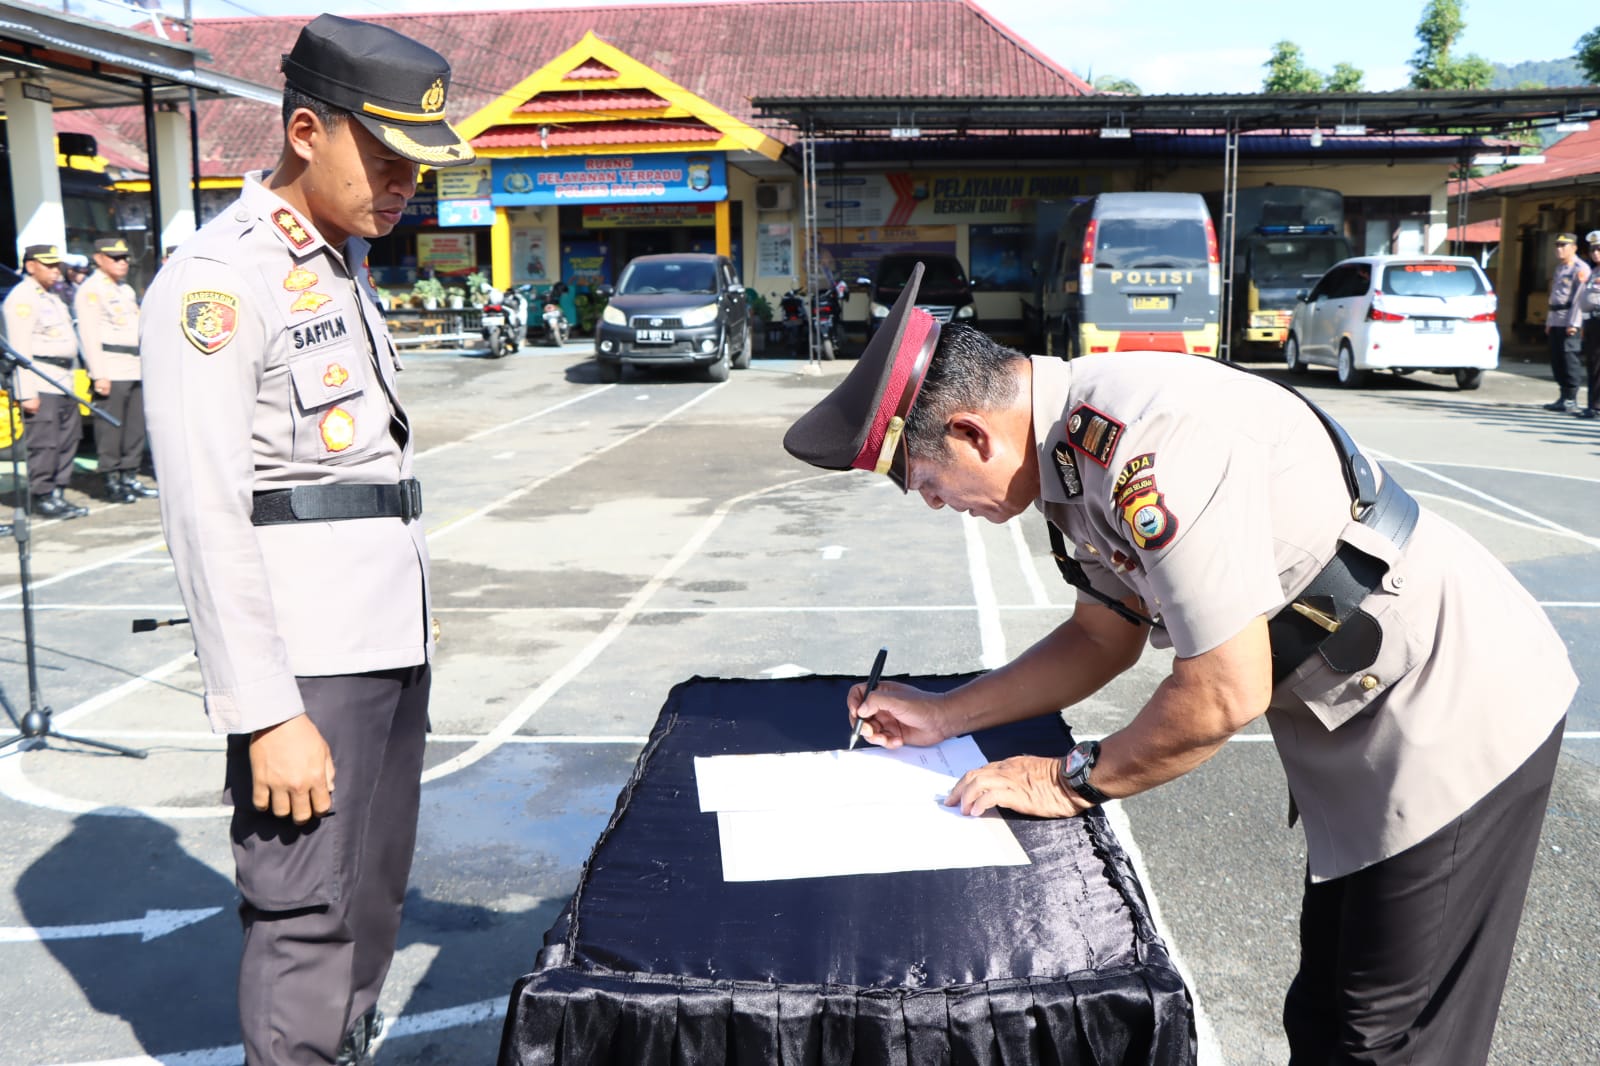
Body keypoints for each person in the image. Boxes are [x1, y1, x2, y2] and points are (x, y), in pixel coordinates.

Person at [781, 264, 1576, 1065]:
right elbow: (1103, 635)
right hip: (1352, 714)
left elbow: (1224, 693)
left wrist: (1066, 780)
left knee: (1387, 1042)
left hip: (1445, 707)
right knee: (1329, 1017)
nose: (933, 504)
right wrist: (945, 714)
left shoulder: (1145, 443)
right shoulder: (1066, 454)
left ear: (970, 434)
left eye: (925, 482)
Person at [138, 14, 475, 1065]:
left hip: (383, 641)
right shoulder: (217, 280)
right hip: (305, 665)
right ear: (301, 132)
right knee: (305, 915)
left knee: (372, 895)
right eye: (383, 159)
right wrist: (265, 707)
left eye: (415, 168)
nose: (403, 186)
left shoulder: (338, 263)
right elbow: (205, 510)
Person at [0, 244, 89, 519]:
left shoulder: (51, 296)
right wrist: (26, 392)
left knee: (68, 438)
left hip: (63, 380)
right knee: (45, 442)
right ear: (30, 266)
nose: (55, 270)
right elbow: (20, 349)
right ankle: (44, 495)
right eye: (48, 265)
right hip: (41, 381)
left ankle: (58, 492)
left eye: (56, 265)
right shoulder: (23, 298)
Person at [76, 237, 157, 503]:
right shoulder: (91, 290)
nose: (122, 262)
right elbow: (88, 335)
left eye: (124, 258)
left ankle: (129, 476)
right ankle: (110, 479)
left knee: (134, 427)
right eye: (115, 258)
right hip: (111, 366)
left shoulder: (125, 289)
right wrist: (98, 373)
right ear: (98, 258)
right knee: (111, 429)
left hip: (134, 365)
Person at [1542, 231, 1589, 412]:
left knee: (1570, 360)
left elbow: (1578, 299)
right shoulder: (1560, 268)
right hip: (1556, 319)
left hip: (1569, 321)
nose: (1559, 249)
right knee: (1557, 360)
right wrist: (1549, 321)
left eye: (1563, 246)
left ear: (1574, 248)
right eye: (1557, 246)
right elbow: (1554, 298)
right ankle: (1562, 396)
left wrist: (1574, 324)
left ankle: (1571, 398)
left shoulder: (1580, 268)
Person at [1577, 230, 1600, 420]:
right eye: (1593, 249)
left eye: (1599, 249)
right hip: (1591, 320)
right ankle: (1592, 404)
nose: (1595, 253)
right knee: (1592, 364)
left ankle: (1597, 405)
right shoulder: (1593, 272)